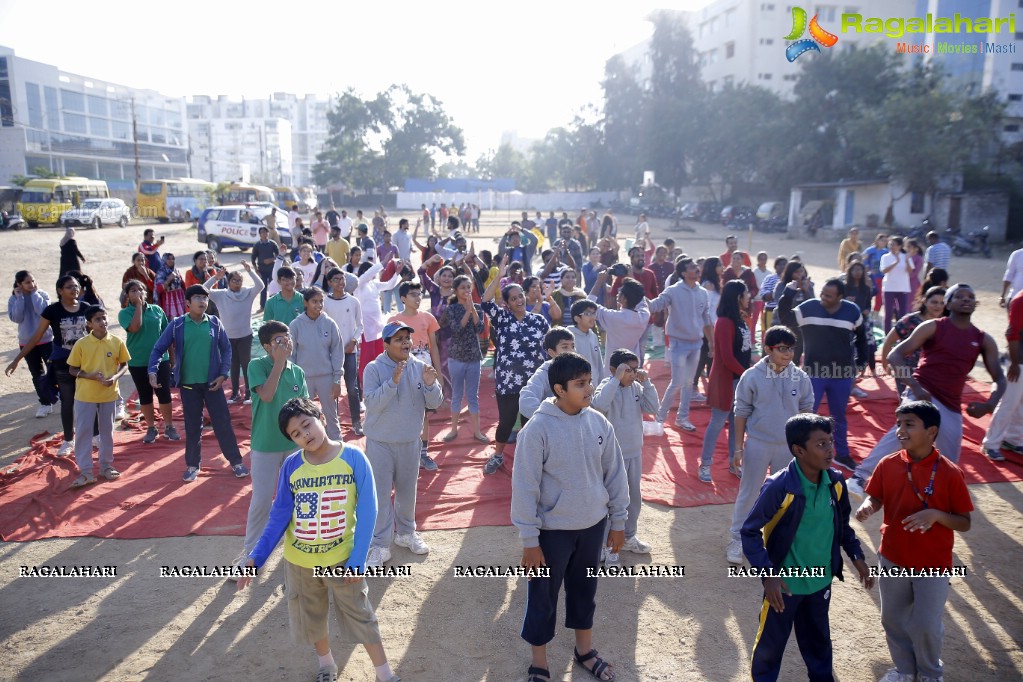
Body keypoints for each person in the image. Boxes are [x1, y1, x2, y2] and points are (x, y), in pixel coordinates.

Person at [237, 398, 401, 682]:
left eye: (306, 424)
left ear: (322, 418)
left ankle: (384, 673)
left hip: (343, 560)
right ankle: (326, 665)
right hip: (300, 561)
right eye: (296, 434)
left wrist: (358, 559)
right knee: (310, 616)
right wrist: (256, 557)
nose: (305, 435)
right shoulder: (291, 466)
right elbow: (279, 516)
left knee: (360, 614)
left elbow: (369, 508)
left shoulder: (353, 457)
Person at [512, 352, 629, 682]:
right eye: (580, 384)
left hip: (593, 527)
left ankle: (584, 652)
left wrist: (617, 522)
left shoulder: (598, 422)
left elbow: (615, 475)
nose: (589, 388)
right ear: (559, 389)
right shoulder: (536, 430)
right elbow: (525, 489)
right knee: (543, 597)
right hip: (552, 534)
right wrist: (530, 542)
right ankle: (540, 663)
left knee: (585, 590)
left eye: (589, 381)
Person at [741, 414, 873, 682]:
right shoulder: (779, 487)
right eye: (821, 444)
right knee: (770, 647)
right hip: (784, 587)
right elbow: (749, 531)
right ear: (799, 450)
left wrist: (857, 556)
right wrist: (768, 576)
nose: (830, 450)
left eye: (830, 442)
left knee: (819, 643)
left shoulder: (835, 482)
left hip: (820, 582)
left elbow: (843, 527)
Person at [847, 284, 1006, 498]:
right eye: (959, 296)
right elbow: (895, 355)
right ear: (949, 303)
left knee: (950, 455)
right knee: (904, 431)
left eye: (970, 296)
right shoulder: (933, 326)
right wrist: (914, 386)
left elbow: (999, 378)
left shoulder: (983, 338)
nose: (965, 299)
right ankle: (859, 477)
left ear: (975, 304)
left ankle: (939, 495)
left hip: (951, 403)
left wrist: (989, 404)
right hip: (922, 392)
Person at [854, 401, 972, 682]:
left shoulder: (950, 473)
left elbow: (964, 522)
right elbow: (877, 495)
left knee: (926, 625)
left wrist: (935, 515)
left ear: (931, 431)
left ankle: (931, 674)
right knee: (892, 619)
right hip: (892, 556)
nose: (900, 430)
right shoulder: (888, 464)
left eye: (909, 424)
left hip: (933, 563)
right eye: (898, 424)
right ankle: (905, 670)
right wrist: (870, 505)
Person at [726, 326, 814, 564]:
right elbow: (741, 412)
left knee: (785, 495)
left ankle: (778, 541)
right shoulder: (752, 376)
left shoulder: (800, 377)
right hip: (758, 443)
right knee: (749, 492)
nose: (788, 354)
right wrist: (738, 448)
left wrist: (804, 446)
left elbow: (807, 409)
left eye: (791, 349)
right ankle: (737, 539)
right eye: (782, 349)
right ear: (768, 349)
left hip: (788, 447)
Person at [228, 321, 309, 578]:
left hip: (294, 446)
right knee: (262, 500)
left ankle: (300, 552)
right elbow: (266, 395)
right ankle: (251, 553)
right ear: (266, 347)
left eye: (288, 339)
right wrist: (278, 363)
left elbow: (304, 407)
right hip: (265, 445)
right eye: (279, 341)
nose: (287, 344)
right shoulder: (257, 366)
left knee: (299, 500)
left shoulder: (297, 371)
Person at [147, 285, 250, 483]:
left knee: (223, 424)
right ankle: (193, 465)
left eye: (205, 297)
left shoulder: (214, 323)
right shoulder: (177, 324)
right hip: (188, 386)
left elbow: (226, 349)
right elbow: (158, 348)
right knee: (193, 426)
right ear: (187, 303)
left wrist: (223, 374)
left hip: (213, 385)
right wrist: (152, 370)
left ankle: (236, 462)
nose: (202, 301)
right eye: (197, 298)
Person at [363, 322, 443, 567]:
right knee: (380, 495)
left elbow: (435, 402)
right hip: (380, 443)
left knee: (408, 494)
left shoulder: (420, 367)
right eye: (398, 339)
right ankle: (379, 544)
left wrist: (430, 384)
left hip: (410, 443)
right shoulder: (374, 369)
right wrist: (393, 382)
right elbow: (372, 403)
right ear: (386, 344)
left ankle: (406, 534)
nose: (406, 343)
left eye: (407, 338)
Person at [6, 274, 93, 455]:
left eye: (76, 286)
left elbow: (97, 334)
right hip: (63, 363)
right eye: (70, 287)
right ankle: (69, 441)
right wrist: (17, 359)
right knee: (68, 402)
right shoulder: (52, 311)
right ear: (60, 291)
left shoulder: (86, 308)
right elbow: (37, 336)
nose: (75, 289)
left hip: (87, 362)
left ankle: (96, 435)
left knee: (92, 400)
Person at [591, 349, 660, 566]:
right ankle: (604, 544)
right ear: (614, 370)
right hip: (611, 458)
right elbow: (600, 405)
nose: (633, 374)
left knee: (633, 498)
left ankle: (629, 536)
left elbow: (653, 407)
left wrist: (647, 382)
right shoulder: (606, 386)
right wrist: (615, 379)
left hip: (634, 453)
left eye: (635, 369)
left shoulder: (637, 387)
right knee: (610, 500)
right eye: (627, 370)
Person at [481, 262, 550, 475]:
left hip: (533, 383)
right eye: (513, 298)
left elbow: (549, 347)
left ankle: (531, 460)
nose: (519, 300)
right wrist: (499, 276)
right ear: (507, 303)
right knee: (507, 422)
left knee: (532, 424)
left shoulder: (538, 321)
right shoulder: (501, 319)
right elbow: (485, 301)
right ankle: (498, 455)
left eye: (521, 296)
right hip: (508, 382)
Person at [795, 278, 865, 471]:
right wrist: (788, 293)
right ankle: (800, 454)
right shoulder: (808, 307)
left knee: (839, 416)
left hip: (842, 374)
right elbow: (785, 319)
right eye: (822, 293)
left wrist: (861, 363)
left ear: (840, 297)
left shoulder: (852, 311)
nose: (823, 298)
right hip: (813, 372)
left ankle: (841, 454)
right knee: (807, 415)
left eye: (828, 295)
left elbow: (862, 338)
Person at [66, 305, 130, 488]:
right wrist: (90, 376)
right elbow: (72, 369)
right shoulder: (81, 344)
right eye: (97, 319)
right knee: (84, 433)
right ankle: (86, 472)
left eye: (104, 318)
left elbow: (124, 364)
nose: (103, 322)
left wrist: (115, 378)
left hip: (109, 394)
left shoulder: (116, 341)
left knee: (107, 432)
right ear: (89, 324)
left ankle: (106, 466)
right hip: (85, 395)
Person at [647, 258, 712, 431]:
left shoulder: (703, 293)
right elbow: (655, 306)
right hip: (678, 344)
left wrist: (711, 342)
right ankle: (660, 419)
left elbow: (706, 318)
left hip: (696, 344)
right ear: (683, 273)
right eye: (692, 268)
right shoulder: (673, 291)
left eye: (697, 267)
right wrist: (640, 297)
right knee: (677, 382)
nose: (697, 269)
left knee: (690, 383)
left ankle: (682, 418)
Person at [698, 280, 753, 483]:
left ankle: (734, 462)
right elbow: (727, 358)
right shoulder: (724, 322)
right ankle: (705, 464)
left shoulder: (740, 318)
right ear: (738, 297)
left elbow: (745, 351)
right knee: (718, 423)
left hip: (741, 380)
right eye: (746, 292)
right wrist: (749, 374)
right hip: (726, 382)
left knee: (738, 424)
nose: (749, 296)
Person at [387, 281, 442, 470]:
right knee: (401, 410)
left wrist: (439, 374)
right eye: (413, 295)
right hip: (401, 372)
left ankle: (423, 453)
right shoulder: (393, 320)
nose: (418, 298)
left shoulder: (428, 318)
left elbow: (434, 348)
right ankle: (402, 453)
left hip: (424, 372)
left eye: (419, 294)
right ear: (402, 298)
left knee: (424, 413)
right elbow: (388, 349)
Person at [119, 280, 179, 444]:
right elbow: (135, 328)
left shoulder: (157, 310)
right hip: (138, 360)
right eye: (133, 290)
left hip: (160, 360)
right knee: (144, 394)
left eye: (141, 289)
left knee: (164, 392)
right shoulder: (124, 313)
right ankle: (151, 428)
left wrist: (172, 357)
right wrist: (138, 306)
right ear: (127, 295)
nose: (138, 292)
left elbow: (167, 335)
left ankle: (169, 426)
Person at [289, 286, 344, 440]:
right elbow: (291, 355)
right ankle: (310, 445)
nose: (319, 305)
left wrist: (337, 379)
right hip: (304, 379)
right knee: (305, 416)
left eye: (321, 301)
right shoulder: (295, 325)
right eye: (314, 301)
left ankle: (337, 446)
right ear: (305, 302)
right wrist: (295, 378)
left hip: (326, 378)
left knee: (331, 415)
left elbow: (337, 352)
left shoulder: (329, 323)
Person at [205, 262, 263, 404]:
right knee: (233, 365)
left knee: (246, 364)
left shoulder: (248, 293)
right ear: (229, 281)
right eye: (234, 280)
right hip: (228, 337)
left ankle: (249, 393)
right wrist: (216, 278)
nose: (237, 283)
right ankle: (235, 393)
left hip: (245, 335)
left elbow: (261, 286)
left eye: (239, 280)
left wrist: (250, 271)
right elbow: (203, 289)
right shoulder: (221, 295)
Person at [440, 274, 487, 444]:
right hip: (456, 358)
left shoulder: (477, 308)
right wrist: (467, 310)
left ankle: (477, 431)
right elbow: (457, 329)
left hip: (474, 357)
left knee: (473, 396)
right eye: (463, 287)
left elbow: (480, 328)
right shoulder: (451, 309)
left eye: (468, 287)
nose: (466, 290)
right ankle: (453, 430)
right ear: (456, 290)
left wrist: (472, 310)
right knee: (457, 395)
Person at [881, 286, 946, 398]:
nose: (938, 306)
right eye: (934, 302)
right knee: (908, 407)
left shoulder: (945, 323)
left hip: (933, 372)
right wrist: (885, 363)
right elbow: (889, 340)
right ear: (925, 301)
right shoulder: (910, 321)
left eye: (942, 303)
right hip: (906, 372)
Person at [322, 267, 365, 435]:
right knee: (331, 388)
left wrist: (353, 341)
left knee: (352, 387)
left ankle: (356, 422)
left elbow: (360, 325)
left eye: (342, 279)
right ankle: (333, 423)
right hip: (330, 352)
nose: (340, 282)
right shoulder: (324, 302)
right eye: (336, 280)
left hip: (349, 351)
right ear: (330, 283)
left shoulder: (353, 302)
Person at [8, 271, 57, 417]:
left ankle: (55, 395)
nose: (32, 285)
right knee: (37, 373)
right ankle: (44, 403)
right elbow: (17, 317)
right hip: (26, 342)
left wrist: (35, 295)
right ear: (19, 284)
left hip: (46, 339)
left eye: (33, 281)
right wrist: (20, 298)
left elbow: (43, 312)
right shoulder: (14, 298)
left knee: (53, 369)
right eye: (27, 282)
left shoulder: (42, 295)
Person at [983, 287, 1023, 460]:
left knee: (1021, 404)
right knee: (1009, 403)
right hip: (1019, 361)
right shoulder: (1020, 300)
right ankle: (990, 444)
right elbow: (1012, 333)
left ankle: (1013, 439)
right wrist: (1014, 363)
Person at [518, 327, 578, 419]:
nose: (572, 351)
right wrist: (548, 419)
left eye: (573, 346)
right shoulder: (544, 373)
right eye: (565, 347)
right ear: (552, 352)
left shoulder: (578, 371)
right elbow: (525, 402)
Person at [842, 261, 877, 390]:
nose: (857, 272)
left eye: (860, 269)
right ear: (850, 272)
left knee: (868, 344)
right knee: (849, 347)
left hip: (864, 320)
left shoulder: (866, 288)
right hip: (848, 321)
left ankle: (866, 368)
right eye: (854, 269)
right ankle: (849, 374)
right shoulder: (844, 288)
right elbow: (839, 304)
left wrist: (867, 310)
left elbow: (868, 303)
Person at [775, 261, 815, 365]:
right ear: (790, 273)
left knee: (796, 355)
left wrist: (806, 290)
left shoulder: (807, 285)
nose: (800, 274)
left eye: (801, 271)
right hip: (783, 325)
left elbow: (812, 304)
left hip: (799, 327)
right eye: (796, 272)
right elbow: (781, 304)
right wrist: (793, 291)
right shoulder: (782, 285)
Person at [568, 299, 605, 387]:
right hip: (576, 387)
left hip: (594, 386)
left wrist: (601, 384)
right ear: (577, 318)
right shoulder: (568, 337)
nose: (593, 317)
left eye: (593, 313)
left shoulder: (593, 336)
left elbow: (599, 363)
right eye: (588, 314)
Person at [251, 227, 280, 310]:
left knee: (273, 288)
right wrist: (256, 270)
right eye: (262, 232)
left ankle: (274, 306)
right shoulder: (257, 245)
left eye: (265, 232)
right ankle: (262, 306)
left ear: (268, 233)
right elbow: (253, 258)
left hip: (272, 269)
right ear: (260, 234)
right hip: (262, 270)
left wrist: (271, 259)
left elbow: (279, 255)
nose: (264, 234)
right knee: (263, 288)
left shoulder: (272, 244)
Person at [155, 253, 187, 319]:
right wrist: (169, 279)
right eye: (168, 259)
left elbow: (182, 284)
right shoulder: (161, 272)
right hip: (169, 299)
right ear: (164, 260)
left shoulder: (176, 271)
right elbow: (159, 289)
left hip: (180, 298)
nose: (171, 261)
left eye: (173, 259)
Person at [864, 232, 889, 316]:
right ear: (877, 240)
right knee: (868, 295)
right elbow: (864, 261)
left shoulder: (887, 252)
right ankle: (867, 312)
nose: (883, 242)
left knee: (880, 297)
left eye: (885, 241)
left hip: (881, 277)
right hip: (870, 277)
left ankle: (875, 314)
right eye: (882, 240)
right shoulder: (870, 250)